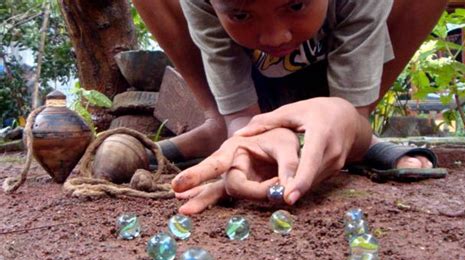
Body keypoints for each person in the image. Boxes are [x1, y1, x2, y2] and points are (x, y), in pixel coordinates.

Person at [133, 0, 448, 214]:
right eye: (240, 14)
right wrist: (244, 130)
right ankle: (219, 124)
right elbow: (243, 115)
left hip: (329, 91)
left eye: (296, 4)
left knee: (348, 121)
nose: (276, 36)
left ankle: (347, 131)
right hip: (249, 96)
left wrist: (347, 115)